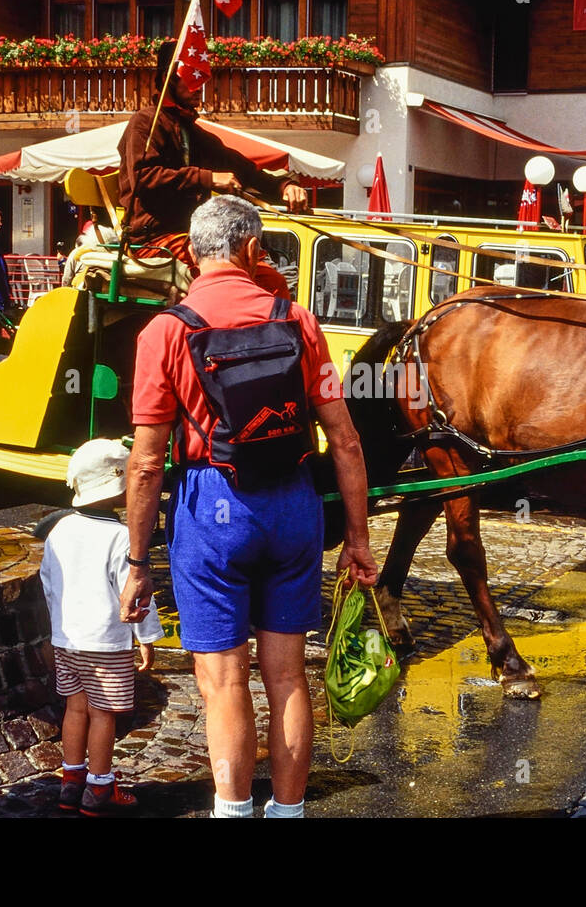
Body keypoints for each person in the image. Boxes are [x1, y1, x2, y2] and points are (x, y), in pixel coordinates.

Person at [121, 196, 379, 818]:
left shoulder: (166, 329)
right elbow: (344, 439)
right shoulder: (298, 320)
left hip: (213, 506)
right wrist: (359, 538)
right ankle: (288, 814)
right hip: (294, 503)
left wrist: (136, 560)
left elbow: (147, 461)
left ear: (189, 252)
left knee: (225, 683)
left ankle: (233, 811)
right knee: (288, 677)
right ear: (253, 251)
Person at [117, 53, 310, 301]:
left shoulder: (191, 131)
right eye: (191, 78)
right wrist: (208, 178)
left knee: (267, 276)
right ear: (168, 80)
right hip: (153, 239)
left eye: (201, 79)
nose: (200, 87)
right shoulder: (145, 123)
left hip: (193, 235)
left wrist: (283, 185)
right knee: (246, 278)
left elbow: (240, 166)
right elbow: (143, 178)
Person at [40, 439, 162, 817]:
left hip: (68, 640)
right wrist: (146, 638)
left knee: (75, 709)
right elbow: (135, 593)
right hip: (106, 644)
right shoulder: (121, 537)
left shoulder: (59, 529)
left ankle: (70, 781)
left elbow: (47, 581)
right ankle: (99, 786)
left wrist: (57, 628)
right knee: (104, 714)